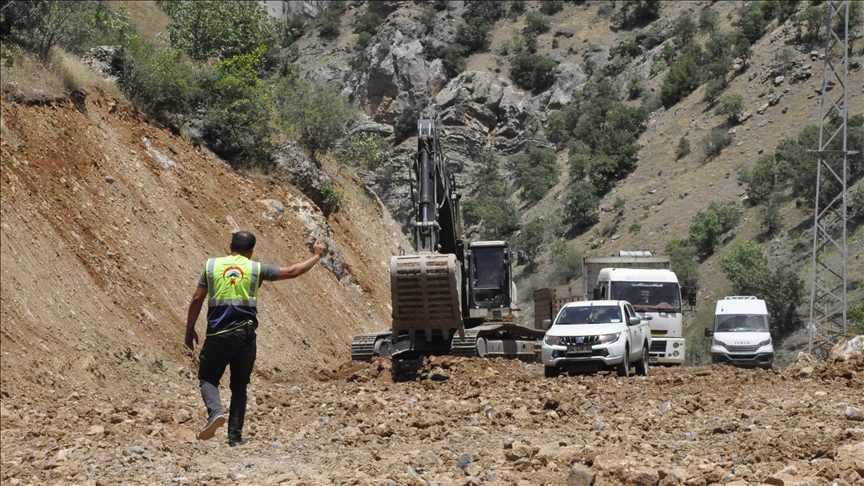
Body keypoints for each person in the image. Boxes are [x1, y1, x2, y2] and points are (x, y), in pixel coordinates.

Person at [185, 231, 325, 447]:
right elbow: (293, 271)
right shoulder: (256, 268)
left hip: (217, 334)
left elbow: (197, 299)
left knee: (208, 379)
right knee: (239, 387)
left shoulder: (211, 266)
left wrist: (190, 329)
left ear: (229, 245)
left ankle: (215, 413)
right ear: (252, 251)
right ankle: (235, 438)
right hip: (245, 336)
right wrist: (316, 255)